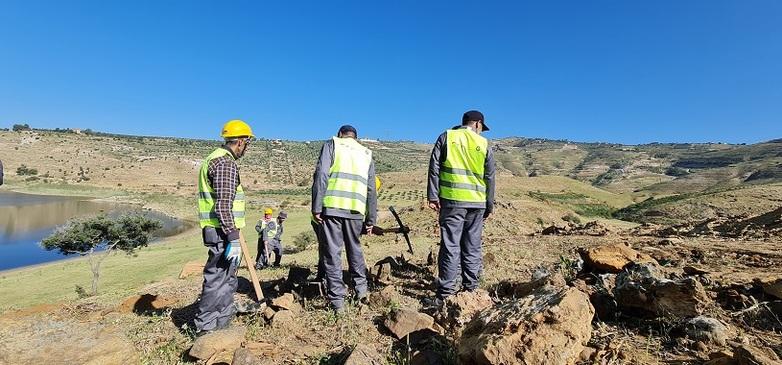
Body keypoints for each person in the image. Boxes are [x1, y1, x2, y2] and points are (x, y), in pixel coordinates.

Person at [427, 110, 496, 306]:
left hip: (452, 202)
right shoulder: (483, 144)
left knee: (450, 246)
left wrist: (433, 196)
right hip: (477, 203)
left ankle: (446, 294)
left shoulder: (446, 137)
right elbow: (490, 176)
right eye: (482, 127)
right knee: (472, 246)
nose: (482, 131)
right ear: (477, 124)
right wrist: (489, 205)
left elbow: (434, 167)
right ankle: (471, 289)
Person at [194, 119, 254, 334]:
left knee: (226, 276)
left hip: (221, 230)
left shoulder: (214, 158)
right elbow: (223, 205)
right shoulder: (225, 163)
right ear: (240, 141)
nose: (246, 148)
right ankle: (206, 327)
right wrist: (233, 236)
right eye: (247, 144)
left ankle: (222, 320)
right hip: (222, 231)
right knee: (218, 277)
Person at [311, 125, 377, 312]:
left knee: (332, 254)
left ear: (341, 135)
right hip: (356, 211)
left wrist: (317, 207)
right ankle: (361, 291)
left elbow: (322, 175)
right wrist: (371, 219)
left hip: (333, 208)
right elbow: (371, 189)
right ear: (356, 137)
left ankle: (338, 301)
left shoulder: (333, 144)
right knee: (355, 250)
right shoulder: (366, 152)